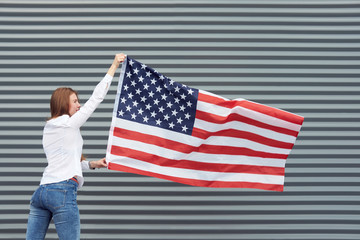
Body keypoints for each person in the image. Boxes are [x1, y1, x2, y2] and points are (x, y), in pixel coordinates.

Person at [26, 53, 127, 240]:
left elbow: (66, 160)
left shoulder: (50, 127)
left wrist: (93, 164)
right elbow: (96, 99)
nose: (79, 105)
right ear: (63, 103)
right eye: (74, 101)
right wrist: (114, 66)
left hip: (41, 192)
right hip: (62, 191)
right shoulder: (68, 123)